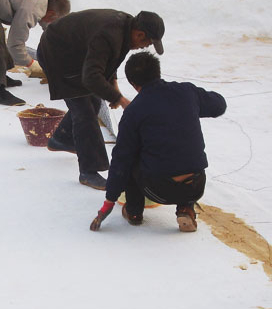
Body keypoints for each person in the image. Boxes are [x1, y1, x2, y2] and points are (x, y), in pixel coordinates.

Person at [89, 52, 227, 232]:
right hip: (196, 185)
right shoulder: (187, 92)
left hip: (157, 189)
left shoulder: (134, 112)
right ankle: (186, 208)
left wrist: (109, 201)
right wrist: (190, 105)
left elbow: (121, 161)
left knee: (131, 155)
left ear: (133, 84)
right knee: (182, 150)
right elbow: (219, 105)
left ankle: (134, 212)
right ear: (158, 72)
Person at [37, 9, 165, 190]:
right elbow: (91, 77)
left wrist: (114, 86)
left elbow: (108, 60)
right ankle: (88, 172)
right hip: (57, 54)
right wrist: (120, 99)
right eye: (147, 43)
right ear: (140, 34)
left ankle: (62, 139)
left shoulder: (125, 30)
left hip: (76, 54)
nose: (145, 47)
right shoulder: (108, 34)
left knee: (95, 101)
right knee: (84, 109)